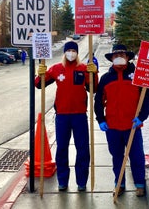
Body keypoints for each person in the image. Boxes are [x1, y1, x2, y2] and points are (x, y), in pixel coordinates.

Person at [35, 41, 98, 192]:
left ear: (77, 53)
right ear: (64, 52)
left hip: (79, 116)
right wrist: (40, 74)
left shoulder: (83, 68)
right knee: (62, 149)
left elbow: (93, 89)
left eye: (73, 50)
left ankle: (82, 181)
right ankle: (62, 181)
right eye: (68, 50)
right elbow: (39, 85)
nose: (71, 53)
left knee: (82, 150)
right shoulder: (57, 69)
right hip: (62, 116)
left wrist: (94, 74)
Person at [94, 44, 149, 197]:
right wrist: (100, 119)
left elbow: (147, 97)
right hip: (113, 127)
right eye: (115, 55)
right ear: (112, 58)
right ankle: (119, 184)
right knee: (117, 157)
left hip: (132, 126)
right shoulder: (106, 78)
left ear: (127, 57)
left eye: (122, 54)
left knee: (136, 156)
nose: (119, 57)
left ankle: (139, 184)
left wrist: (142, 117)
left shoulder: (138, 75)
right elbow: (98, 101)